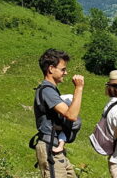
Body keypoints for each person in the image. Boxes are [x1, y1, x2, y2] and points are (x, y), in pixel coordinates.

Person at [34, 48, 85, 178]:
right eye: (63, 69)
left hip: (55, 146)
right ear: (51, 69)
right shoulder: (47, 90)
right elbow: (71, 115)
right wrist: (79, 88)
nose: (66, 73)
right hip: (49, 147)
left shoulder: (51, 90)